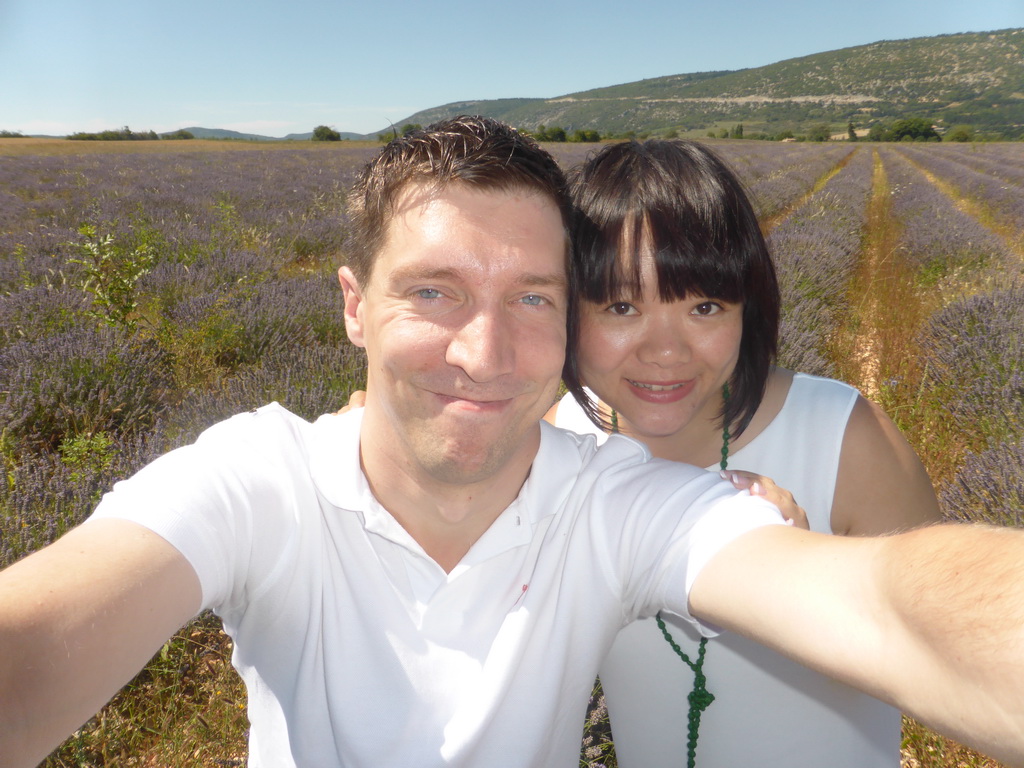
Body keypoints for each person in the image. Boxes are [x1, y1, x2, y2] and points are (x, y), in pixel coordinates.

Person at [1, 117, 1023, 768]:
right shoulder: (266, 480)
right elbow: (41, 637)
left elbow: (898, 607)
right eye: (434, 292)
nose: (483, 353)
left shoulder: (625, 489)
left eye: (527, 298)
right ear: (353, 306)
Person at [547, 138, 941, 767]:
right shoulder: (553, 444)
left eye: (705, 306)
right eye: (621, 306)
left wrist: (821, 585)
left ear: (747, 309)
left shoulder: (842, 434)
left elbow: (946, 652)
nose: (665, 351)